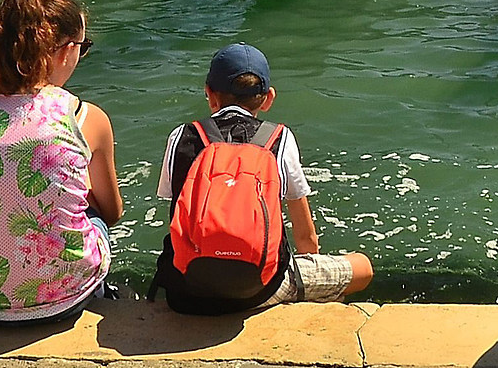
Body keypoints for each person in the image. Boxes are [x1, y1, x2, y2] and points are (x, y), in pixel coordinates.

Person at [0, 0, 123, 324]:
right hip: (65, 298)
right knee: (92, 213)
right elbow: (112, 213)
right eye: (82, 48)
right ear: (65, 51)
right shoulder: (85, 117)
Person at [153, 43, 371, 307]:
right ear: (268, 98)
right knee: (362, 268)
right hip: (261, 290)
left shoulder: (181, 136)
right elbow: (305, 237)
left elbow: (174, 209)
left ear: (210, 95)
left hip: (186, 292)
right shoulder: (279, 139)